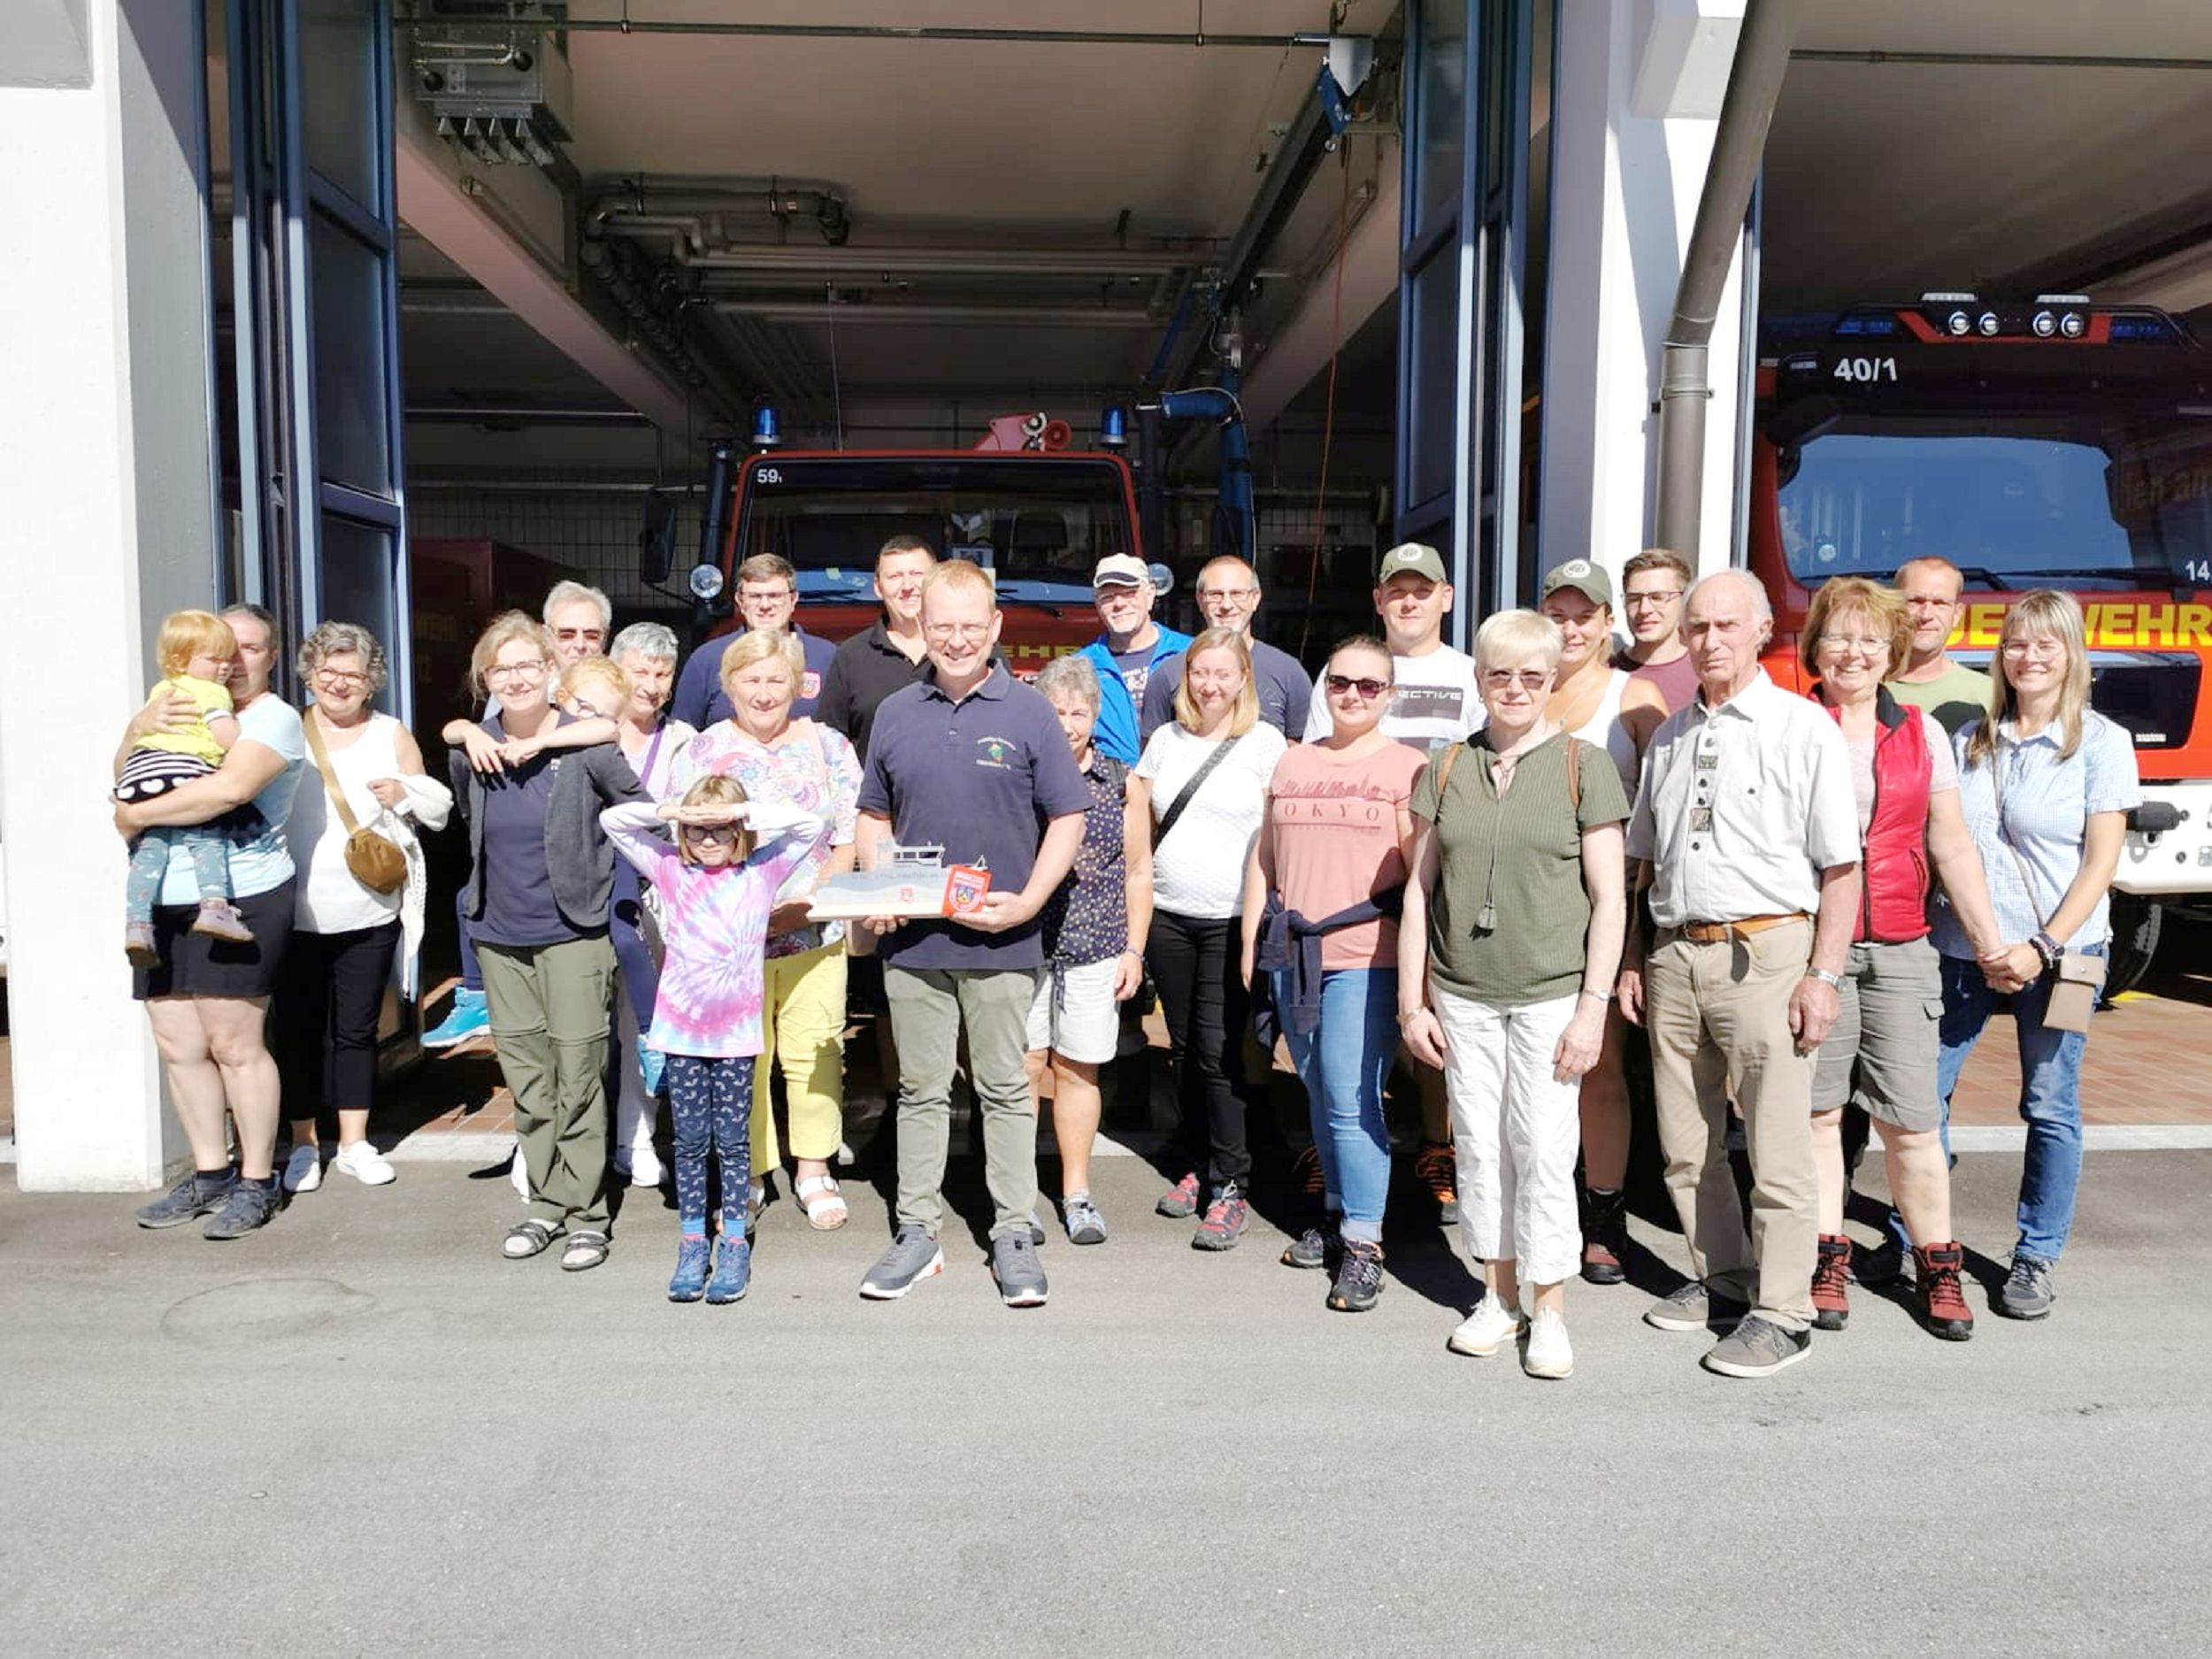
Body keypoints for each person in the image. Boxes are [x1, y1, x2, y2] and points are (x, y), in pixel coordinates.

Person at [1618, 570, 1862, 1379]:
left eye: (1727, 624)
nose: (1710, 639)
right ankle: (1723, 1276)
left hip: (1768, 953)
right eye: (1697, 627)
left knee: (1776, 1142)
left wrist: (1824, 974)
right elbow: (1645, 862)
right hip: (1676, 952)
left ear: (1762, 630)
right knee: (1686, 1142)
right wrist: (1635, 957)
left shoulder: (1803, 727)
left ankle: (1785, 1311)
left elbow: (1841, 866)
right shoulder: (1670, 736)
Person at [852, 558, 1090, 1307]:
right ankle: (918, 1231)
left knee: (1005, 1089)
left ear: (995, 626)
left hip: (1002, 939)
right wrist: (882, 884)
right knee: (921, 1090)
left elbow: (1069, 817)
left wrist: (1030, 903)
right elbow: (873, 814)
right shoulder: (895, 712)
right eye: (942, 626)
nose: (955, 640)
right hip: (915, 944)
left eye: (969, 626)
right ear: (921, 625)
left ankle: (1013, 1231)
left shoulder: (1029, 712)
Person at [1400, 611, 1631, 1379]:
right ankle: (1497, 1297)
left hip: (1551, 993)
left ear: (1552, 680)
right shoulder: (1445, 768)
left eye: (1532, 675)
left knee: (1544, 1147)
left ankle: (1550, 1306)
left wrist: (1594, 1006)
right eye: (1500, 673)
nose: (1516, 688)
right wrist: (1412, 1002)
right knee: (1479, 1144)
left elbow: (1611, 898)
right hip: (1462, 992)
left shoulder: (1583, 766)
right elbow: (1418, 892)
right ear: (1480, 679)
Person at [1796, 579, 2008, 1341]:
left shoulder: (1922, 733)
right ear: (1815, 646)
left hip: (1900, 945)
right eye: (1838, 637)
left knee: (1912, 1122)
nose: (1852, 653)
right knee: (1817, 1117)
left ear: (1891, 653)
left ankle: (1937, 1265)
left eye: (1868, 640)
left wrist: (1988, 942)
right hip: (1810, 947)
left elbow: (1950, 842)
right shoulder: (1793, 725)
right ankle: (1825, 1257)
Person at [1924, 589, 2137, 1321]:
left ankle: (2036, 1255)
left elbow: (2100, 864)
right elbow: (1948, 844)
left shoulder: (2102, 743)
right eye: (2017, 642)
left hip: (2065, 956)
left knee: (2049, 1103)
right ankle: (1923, 1233)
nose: (2029, 656)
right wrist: (1990, 944)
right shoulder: (1971, 739)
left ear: (2072, 654)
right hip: (1966, 950)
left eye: (2046, 644)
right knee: (1923, 1097)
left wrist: (2040, 947)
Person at [450, 614, 641, 1272]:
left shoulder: (586, 746)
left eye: (528, 664)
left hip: (574, 933)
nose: (517, 678)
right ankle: (546, 1203)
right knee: (528, 1080)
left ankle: (588, 1215)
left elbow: (638, 812)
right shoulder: (471, 751)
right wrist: (466, 730)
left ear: (551, 671)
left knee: (579, 1074)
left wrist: (615, 886)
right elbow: (466, 810)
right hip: (499, 933)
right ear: (486, 679)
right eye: (502, 668)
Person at [1303, 541, 1480, 1223]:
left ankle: (1438, 1145)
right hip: (1354, 884)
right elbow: (1320, 763)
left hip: (1440, 871)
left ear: (1446, 598)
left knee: (1432, 1017)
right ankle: (1342, 1149)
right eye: (1396, 590)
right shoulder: (1345, 674)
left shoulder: (1469, 676)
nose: (1409, 601)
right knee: (1344, 1032)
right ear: (1378, 600)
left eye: (1422, 589)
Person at [117, 603, 305, 1240]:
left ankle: (257, 1180)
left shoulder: (274, 719)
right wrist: (136, 728)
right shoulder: (172, 701)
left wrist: (135, 815)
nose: (233, 661)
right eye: (223, 648)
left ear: (271, 657)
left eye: (248, 649)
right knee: (179, 1045)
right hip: (160, 900)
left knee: (234, 1045)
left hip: (241, 896)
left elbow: (228, 789)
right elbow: (126, 771)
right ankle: (210, 1173)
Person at [1246, 637, 1423, 1310]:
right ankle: (1339, 1210)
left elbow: (1421, 877)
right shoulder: (1292, 761)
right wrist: (1254, 938)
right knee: (1319, 1091)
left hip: (1366, 956)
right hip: (1295, 953)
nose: (1353, 695)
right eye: (1341, 682)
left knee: (1352, 1099)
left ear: (1389, 694)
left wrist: (1421, 973)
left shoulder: (1407, 768)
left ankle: (1364, 1242)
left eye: (1369, 685)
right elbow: (1266, 858)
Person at [602, 776, 827, 1303]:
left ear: (740, 830)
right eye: (698, 830)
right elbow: (614, 822)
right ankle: (691, 1240)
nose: (708, 839)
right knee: (689, 1141)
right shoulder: (669, 868)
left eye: (721, 829)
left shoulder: (761, 871)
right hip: (681, 1034)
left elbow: (809, 825)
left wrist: (740, 812)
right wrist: (677, 812)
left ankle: (734, 1241)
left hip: (735, 1037)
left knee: (731, 1142)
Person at [671, 628, 862, 1231]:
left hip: (814, 931)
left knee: (815, 1050)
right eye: (750, 679)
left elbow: (849, 837)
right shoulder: (702, 751)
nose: (763, 691)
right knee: (743, 1060)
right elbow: (679, 842)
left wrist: (813, 901)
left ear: (799, 685)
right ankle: (749, 1170)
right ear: (729, 685)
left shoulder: (829, 746)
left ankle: (814, 1168)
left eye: (776, 679)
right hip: (731, 945)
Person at [276, 621, 451, 1194]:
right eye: (328, 670)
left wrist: (404, 794)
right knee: (298, 1031)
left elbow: (435, 807)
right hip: (291, 909)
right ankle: (304, 1144)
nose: (339, 682)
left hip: (368, 908)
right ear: (309, 672)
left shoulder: (390, 733)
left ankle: (354, 1142)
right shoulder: (286, 728)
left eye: (352, 673)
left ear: (371, 680)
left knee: (356, 1030)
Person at [1133, 627, 1288, 1249]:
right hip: (1169, 916)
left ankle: (1231, 1183)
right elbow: (1140, 835)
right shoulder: (1164, 742)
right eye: (1200, 672)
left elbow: (1274, 845)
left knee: (1222, 1053)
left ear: (1243, 677)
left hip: (1232, 920)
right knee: (1185, 1047)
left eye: (1223, 673)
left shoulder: (1266, 744)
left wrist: (1256, 933)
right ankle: (1198, 1159)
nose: (1210, 684)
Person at [1536, 559, 1666, 1285]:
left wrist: (1639, 930)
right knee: (1532, 1066)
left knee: (1600, 1066)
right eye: (1557, 614)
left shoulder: (1632, 697)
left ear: (1607, 622)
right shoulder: (1520, 685)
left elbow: (1660, 816)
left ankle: (1605, 1213)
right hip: (1529, 907)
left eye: (1583, 616)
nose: (1570, 628)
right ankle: (1544, 1206)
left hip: (1606, 907)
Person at [425, 580, 614, 1048]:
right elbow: (466, 756)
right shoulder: (518, 683)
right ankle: (475, 996)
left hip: (591, 870)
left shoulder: (609, 680)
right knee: (471, 900)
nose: (579, 644)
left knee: (590, 1021)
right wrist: (467, 731)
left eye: (591, 634)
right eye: (567, 634)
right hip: (520, 884)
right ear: (548, 636)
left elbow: (606, 729)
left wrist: (544, 741)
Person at [1024, 655, 1152, 1245]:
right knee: (1023, 1069)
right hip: (1024, 945)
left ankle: (1076, 1192)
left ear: (1095, 716)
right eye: (1057, 711)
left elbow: (1138, 871)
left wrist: (1134, 950)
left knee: (1078, 1069)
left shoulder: (1121, 781)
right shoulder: (1019, 774)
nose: (1069, 724)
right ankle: (1018, 1193)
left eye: (1079, 712)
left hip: (1096, 944)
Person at [603, 622, 698, 1188]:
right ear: (616, 671)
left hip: (658, 897)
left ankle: (634, 1141)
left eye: (663, 673)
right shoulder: (587, 731)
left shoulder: (685, 739)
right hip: (590, 892)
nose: (652, 684)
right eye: (640, 671)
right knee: (581, 1027)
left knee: (640, 1023)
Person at [117, 609, 257, 961]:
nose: (224, 668)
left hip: (142, 774)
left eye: (227, 659)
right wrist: (242, 740)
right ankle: (214, 906)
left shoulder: (162, 690)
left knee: (150, 851)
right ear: (180, 660)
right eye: (214, 659)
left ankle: (137, 924)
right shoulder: (211, 692)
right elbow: (225, 735)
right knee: (206, 838)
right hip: (182, 771)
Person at [1140, 554, 1312, 740]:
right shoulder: (1168, 675)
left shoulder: (1288, 673)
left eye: (1237, 594)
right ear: (1200, 600)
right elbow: (1154, 751)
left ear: (1255, 598)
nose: (1226, 605)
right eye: (1216, 595)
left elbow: (1300, 751)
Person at [670, 552, 838, 730]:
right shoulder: (706, 660)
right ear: (740, 601)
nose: (765, 605)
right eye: (755, 596)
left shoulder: (827, 657)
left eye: (775, 596)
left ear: (793, 599)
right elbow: (683, 734)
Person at [817, 535, 937, 760]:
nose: (907, 586)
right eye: (895, 576)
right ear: (878, 587)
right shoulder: (851, 656)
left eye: (917, 574)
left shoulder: (969, 649)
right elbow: (829, 742)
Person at [1076, 553, 1192, 766]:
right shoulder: (1081, 667)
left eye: (1129, 593)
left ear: (1150, 595)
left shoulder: (1190, 653)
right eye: (1107, 597)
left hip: (1180, 776)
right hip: (1115, 782)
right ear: (1097, 604)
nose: (1118, 603)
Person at [1890, 556, 1994, 737]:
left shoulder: (1991, 696)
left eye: (1940, 604)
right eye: (1915, 601)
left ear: (1957, 614)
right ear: (1893, 607)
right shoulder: (1859, 689)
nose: (1926, 615)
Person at [1614, 548, 1701, 715]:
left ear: (1684, 601)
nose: (1644, 609)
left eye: (1658, 597)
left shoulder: (1704, 674)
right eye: (1634, 598)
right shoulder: (1604, 674)